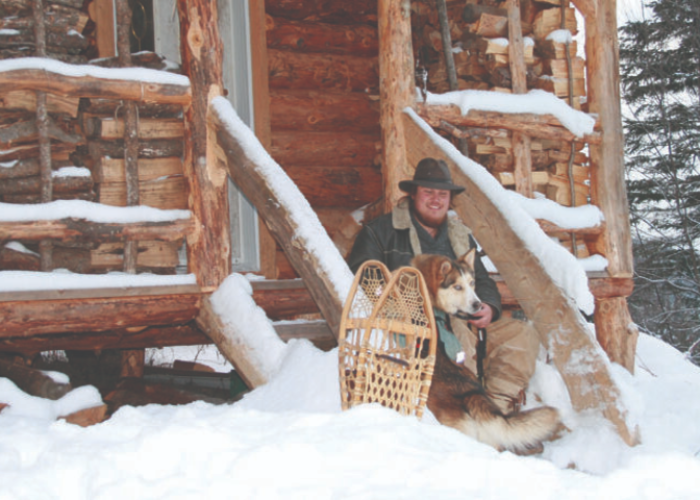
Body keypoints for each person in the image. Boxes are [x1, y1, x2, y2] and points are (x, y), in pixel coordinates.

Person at [346, 157, 540, 414]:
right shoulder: (381, 231)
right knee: (460, 342)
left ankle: (496, 411)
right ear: (414, 194)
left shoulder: (459, 236)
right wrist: (407, 309)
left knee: (520, 335)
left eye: (443, 194)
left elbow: (481, 280)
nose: (436, 199)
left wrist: (489, 308)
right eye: (428, 192)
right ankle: (465, 418)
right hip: (411, 326)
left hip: (462, 318)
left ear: (450, 199)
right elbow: (364, 276)